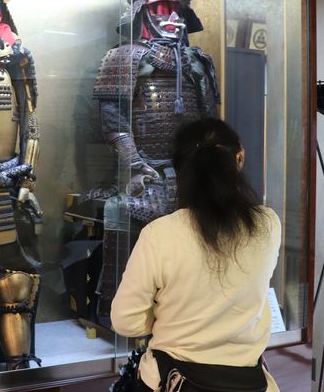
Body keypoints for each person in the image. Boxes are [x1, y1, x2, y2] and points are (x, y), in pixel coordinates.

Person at [111, 117, 281, 391]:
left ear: (179, 169)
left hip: (171, 381)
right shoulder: (268, 224)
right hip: (248, 382)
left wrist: (171, 315)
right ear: (239, 157)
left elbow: (126, 321)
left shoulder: (159, 234)